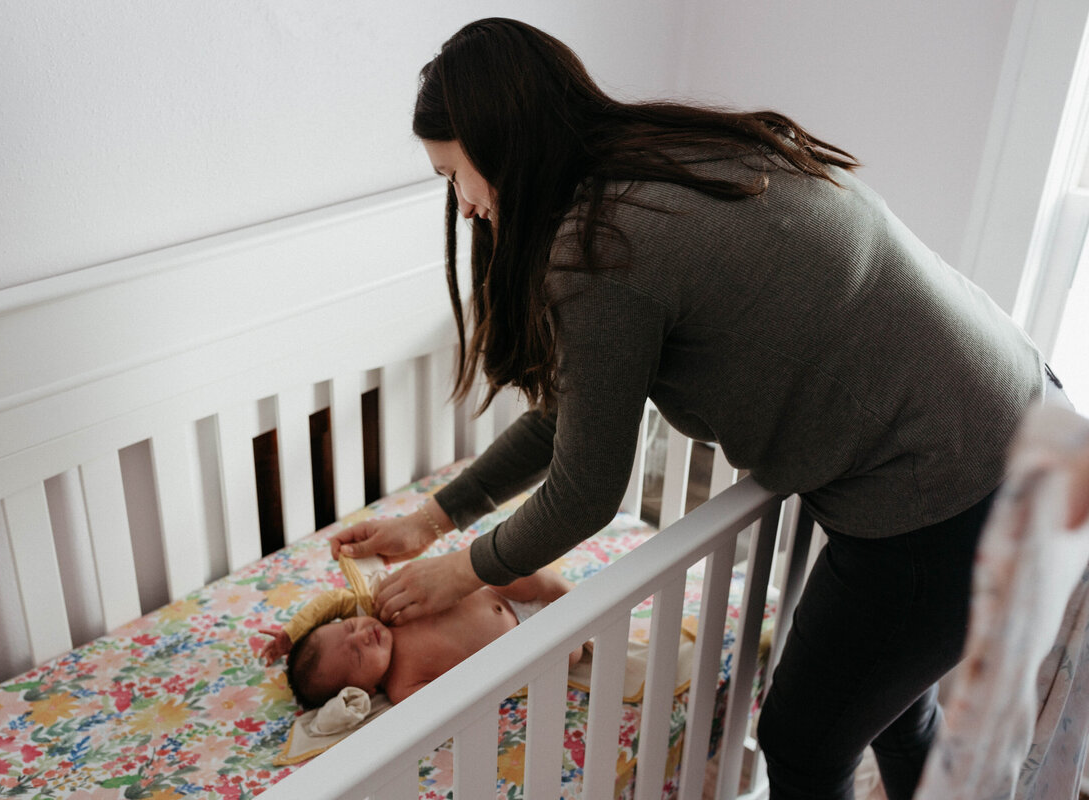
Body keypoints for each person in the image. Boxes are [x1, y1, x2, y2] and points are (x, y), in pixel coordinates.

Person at [329, 17, 1067, 800]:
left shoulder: (596, 246)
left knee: (805, 740)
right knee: (887, 699)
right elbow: (569, 413)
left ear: (497, 143)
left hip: (954, 486)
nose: (466, 205)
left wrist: (463, 568)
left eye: (453, 174)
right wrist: (436, 517)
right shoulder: (666, 152)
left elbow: (587, 490)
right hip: (1024, 412)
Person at [260, 567, 579, 708]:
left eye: (349, 627)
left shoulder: (388, 612)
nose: (362, 636)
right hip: (521, 644)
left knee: (513, 571)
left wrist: (293, 631)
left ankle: (567, 594)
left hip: (505, 594)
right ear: (367, 690)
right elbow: (451, 703)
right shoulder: (402, 685)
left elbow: (335, 601)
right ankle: (582, 617)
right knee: (568, 656)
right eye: (357, 656)